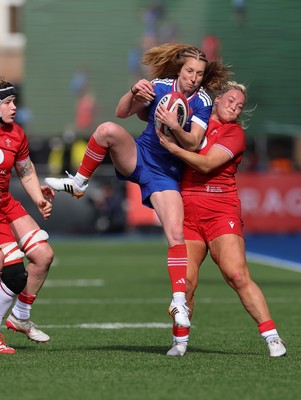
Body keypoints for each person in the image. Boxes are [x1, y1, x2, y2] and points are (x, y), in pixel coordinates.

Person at [45, 43, 230, 328]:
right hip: (139, 155)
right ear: (179, 70)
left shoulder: (203, 100)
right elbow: (121, 113)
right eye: (189, 71)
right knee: (106, 130)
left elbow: (193, 142)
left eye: (199, 73)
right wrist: (133, 92)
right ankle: (79, 182)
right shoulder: (159, 85)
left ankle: (178, 301)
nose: (193, 77)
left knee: (175, 232)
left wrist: (174, 125)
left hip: (165, 173)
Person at [156, 80, 287, 357]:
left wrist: (172, 144)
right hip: (188, 210)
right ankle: (180, 343)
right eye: (230, 101)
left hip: (220, 210)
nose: (235, 107)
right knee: (186, 282)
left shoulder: (234, 133)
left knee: (236, 274)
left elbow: (205, 164)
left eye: (239, 106)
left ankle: (272, 336)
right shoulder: (193, 119)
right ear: (216, 99)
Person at [0, 78, 54, 353]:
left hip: (5, 203)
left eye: (13, 101)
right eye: (8, 102)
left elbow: (25, 168)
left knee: (43, 256)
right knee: (10, 270)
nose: (14, 107)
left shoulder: (15, 133)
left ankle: (20, 316)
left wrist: (38, 198)